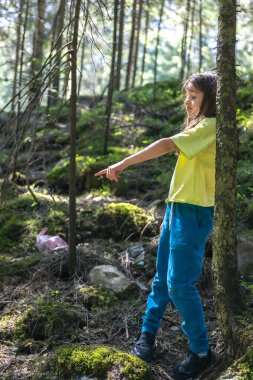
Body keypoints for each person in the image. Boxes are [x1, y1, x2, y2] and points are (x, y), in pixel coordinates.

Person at [95, 71, 217, 380]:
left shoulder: (211, 127)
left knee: (179, 283)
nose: (187, 103)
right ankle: (146, 336)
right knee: (162, 279)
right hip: (176, 209)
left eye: (194, 97)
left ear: (210, 100)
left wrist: (122, 163)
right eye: (186, 97)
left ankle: (201, 351)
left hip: (194, 213)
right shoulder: (198, 127)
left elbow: (165, 144)